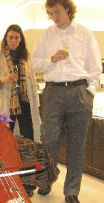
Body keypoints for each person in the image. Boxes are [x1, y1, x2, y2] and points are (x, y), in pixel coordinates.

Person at [31, 0, 102, 202]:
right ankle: (46, 180)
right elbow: (35, 64)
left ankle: (72, 192)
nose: (54, 17)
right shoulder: (46, 36)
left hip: (79, 92)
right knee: (49, 141)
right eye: (50, 13)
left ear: (68, 9)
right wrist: (51, 60)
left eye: (57, 12)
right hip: (53, 92)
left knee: (76, 145)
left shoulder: (85, 34)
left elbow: (95, 67)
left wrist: (89, 92)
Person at [0, 24, 41, 142]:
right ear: (6, 38)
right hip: (6, 103)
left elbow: (32, 81)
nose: (13, 41)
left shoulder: (26, 57)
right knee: (5, 135)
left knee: (28, 135)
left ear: (21, 39)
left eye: (16, 38)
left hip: (25, 101)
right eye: (11, 37)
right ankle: (6, 160)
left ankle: (27, 159)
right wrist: (3, 79)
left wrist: (36, 101)